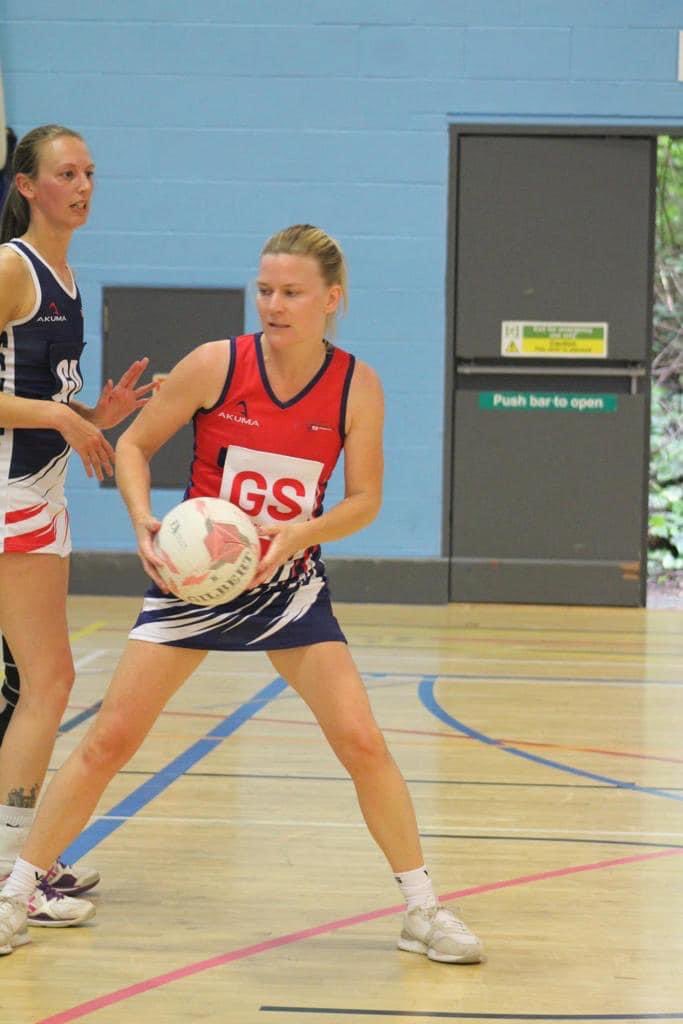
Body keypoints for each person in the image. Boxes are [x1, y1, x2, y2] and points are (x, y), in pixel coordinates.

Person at [0, 224, 484, 964]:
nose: (274, 305)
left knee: (361, 742)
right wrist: (142, 522)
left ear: (332, 299)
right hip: (192, 582)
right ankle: (15, 896)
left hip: (286, 587)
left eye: (291, 292)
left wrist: (294, 537)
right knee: (107, 741)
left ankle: (423, 911)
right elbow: (132, 445)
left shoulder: (357, 383)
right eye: (264, 290)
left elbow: (364, 502)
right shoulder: (216, 364)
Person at [0, 124, 154, 932]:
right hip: (10, 492)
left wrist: (96, 413)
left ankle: (24, 857)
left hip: (39, 488)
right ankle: (12, 870)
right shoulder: (12, 268)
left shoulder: (65, 271)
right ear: (27, 185)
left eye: (91, 170)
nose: (84, 184)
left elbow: (36, 395)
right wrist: (65, 418)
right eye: (67, 172)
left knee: (40, 681)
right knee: (49, 680)